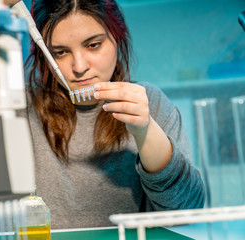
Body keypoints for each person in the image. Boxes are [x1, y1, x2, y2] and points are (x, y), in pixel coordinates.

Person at [13, 0, 205, 229]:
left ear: (117, 37)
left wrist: (145, 132)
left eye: (93, 45)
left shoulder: (149, 102)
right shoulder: (18, 107)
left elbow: (186, 212)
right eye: (61, 52)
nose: (79, 66)